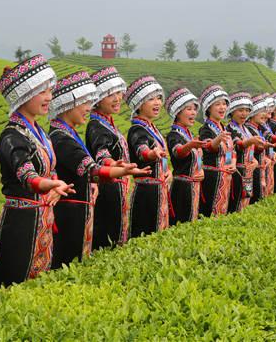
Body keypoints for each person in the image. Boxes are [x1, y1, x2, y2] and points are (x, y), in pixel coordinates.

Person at [0, 55, 77, 290]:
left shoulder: (39, 132)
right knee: (14, 282)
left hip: (43, 217)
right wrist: (49, 185)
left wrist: (55, 183)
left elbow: (50, 169)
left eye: (50, 90)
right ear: (23, 95)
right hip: (21, 221)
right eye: (42, 92)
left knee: (38, 282)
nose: (49, 97)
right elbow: (27, 174)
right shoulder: (12, 135)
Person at [49, 71, 144, 268]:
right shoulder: (63, 137)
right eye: (84, 102)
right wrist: (121, 170)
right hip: (70, 212)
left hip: (79, 208)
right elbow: (93, 167)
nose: (87, 107)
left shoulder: (69, 133)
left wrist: (116, 167)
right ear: (68, 104)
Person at [86, 67, 137, 250]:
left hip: (117, 189)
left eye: (118, 93)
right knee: (107, 239)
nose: (117, 99)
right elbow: (102, 153)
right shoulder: (96, 126)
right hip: (107, 190)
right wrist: (112, 164)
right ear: (98, 100)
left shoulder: (107, 123)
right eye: (110, 95)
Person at [126, 76, 173, 238]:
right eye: (151, 99)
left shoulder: (153, 128)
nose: (157, 103)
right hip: (147, 193)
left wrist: (168, 172)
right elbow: (141, 149)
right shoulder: (137, 129)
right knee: (146, 235)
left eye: (159, 98)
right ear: (139, 104)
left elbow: (163, 158)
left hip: (159, 189)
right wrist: (151, 154)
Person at [165, 88, 205, 224]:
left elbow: (198, 155)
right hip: (182, 187)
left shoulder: (190, 136)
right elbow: (178, 152)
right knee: (182, 222)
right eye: (189, 109)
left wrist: (200, 170)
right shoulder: (174, 135)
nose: (193, 112)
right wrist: (190, 145)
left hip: (194, 185)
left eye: (194, 109)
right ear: (178, 112)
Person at [197, 85, 235, 217]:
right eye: (217, 104)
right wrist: (217, 139)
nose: (222, 107)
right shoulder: (206, 129)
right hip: (212, 178)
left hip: (225, 177)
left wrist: (231, 164)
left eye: (224, 104)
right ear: (209, 108)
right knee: (209, 213)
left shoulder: (223, 128)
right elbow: (208, 147)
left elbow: (230, 150)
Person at [225, 92, 261, 213]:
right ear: (232, 111)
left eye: (246, 110)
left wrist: (255, 161)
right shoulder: (229, 128)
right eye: (240, 110)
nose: (244, 114)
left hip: (248, 173)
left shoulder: (246, 129)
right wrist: (250, 141)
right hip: (237, 172)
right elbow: (238, 145)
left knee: (245, 203)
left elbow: (251, 151)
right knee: (236, 205)